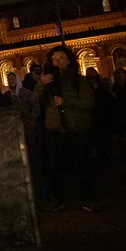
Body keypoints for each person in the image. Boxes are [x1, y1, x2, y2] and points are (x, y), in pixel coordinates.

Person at [34, 46, 96, 211]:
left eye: (60, 58)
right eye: (54, 58)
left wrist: (66, 102)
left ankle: (86, 197)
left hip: (76, 127)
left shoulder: (79, 80)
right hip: (55, 128)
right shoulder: (49, 80)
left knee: (81, 163)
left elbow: (89, 103)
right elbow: (36, 100)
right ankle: (57, 198)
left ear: (69, 60)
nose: (57, 61)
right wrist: (41, 84)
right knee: (54, 165)